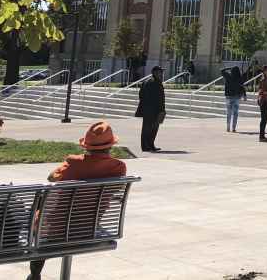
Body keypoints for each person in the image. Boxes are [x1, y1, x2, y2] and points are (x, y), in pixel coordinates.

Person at [27, 121, 128, 280]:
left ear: (86, 146)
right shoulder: (118, 167)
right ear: (110, 145)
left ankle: (34, 275)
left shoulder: (73, 162)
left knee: (40, 205)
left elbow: (51, 178)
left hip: (54, 229)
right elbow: (117, 188)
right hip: (87, 227)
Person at [135, 66, 165, 152]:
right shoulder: (152, 82)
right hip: (152, 110)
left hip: (153, 109)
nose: (162, 74)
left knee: (153, 128)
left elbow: (141, 95)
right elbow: (144, 96)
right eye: (160, 72)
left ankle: (150, 145)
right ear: (155, 73)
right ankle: (145, 146)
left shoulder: (155, 82)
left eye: (162, 72)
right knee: (148, 128)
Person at [221, 65, 246, 133]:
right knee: (235, 113)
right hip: (237, 97)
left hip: (229, 97)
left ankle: (228, 127)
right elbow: (242, 87)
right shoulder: (240, 78)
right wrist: (244, 95)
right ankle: (233, 128)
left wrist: (229, 67)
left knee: (229, 113)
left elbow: (222, 70)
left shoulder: (228, 76)